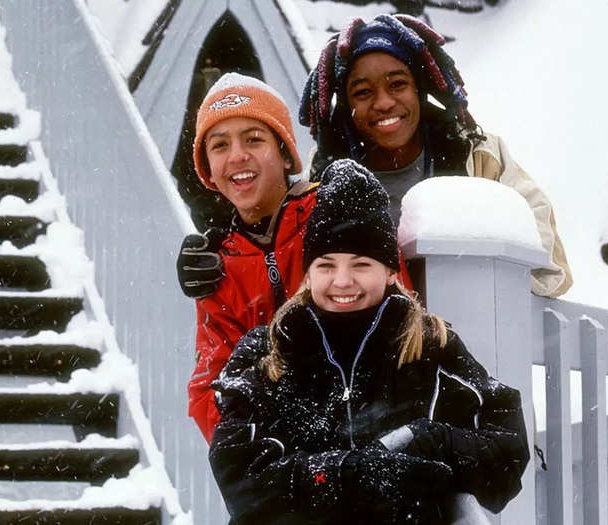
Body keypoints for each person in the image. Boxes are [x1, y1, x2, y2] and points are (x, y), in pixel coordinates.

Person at [209, 159, 529, 524]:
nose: (342, 281)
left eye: (361, 264)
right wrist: (346, 474)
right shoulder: (267, 353)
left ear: (391, 271)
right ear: (309, 274)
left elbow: (508, 454)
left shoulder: (430, 345)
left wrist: (430, 438)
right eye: (326, 265)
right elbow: (240, 479)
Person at [178, 73, 412, 441]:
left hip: (368, 445)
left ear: (285, 153)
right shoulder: (218, 267)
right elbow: (208, 394)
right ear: (207, 168)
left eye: (254, 139)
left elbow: (402, 326)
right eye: (219, 146)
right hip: (283, 474)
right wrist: (263, 445)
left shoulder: (336, 213)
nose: (237, 156)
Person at [299, 13, 573, 298]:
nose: (383, 102)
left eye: (397, 84)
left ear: (420, 88)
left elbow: (551, 269)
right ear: (346, 104)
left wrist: (473, 279)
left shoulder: (478, 155)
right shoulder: (324, 174)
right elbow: (300, 275)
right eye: (363, 92)